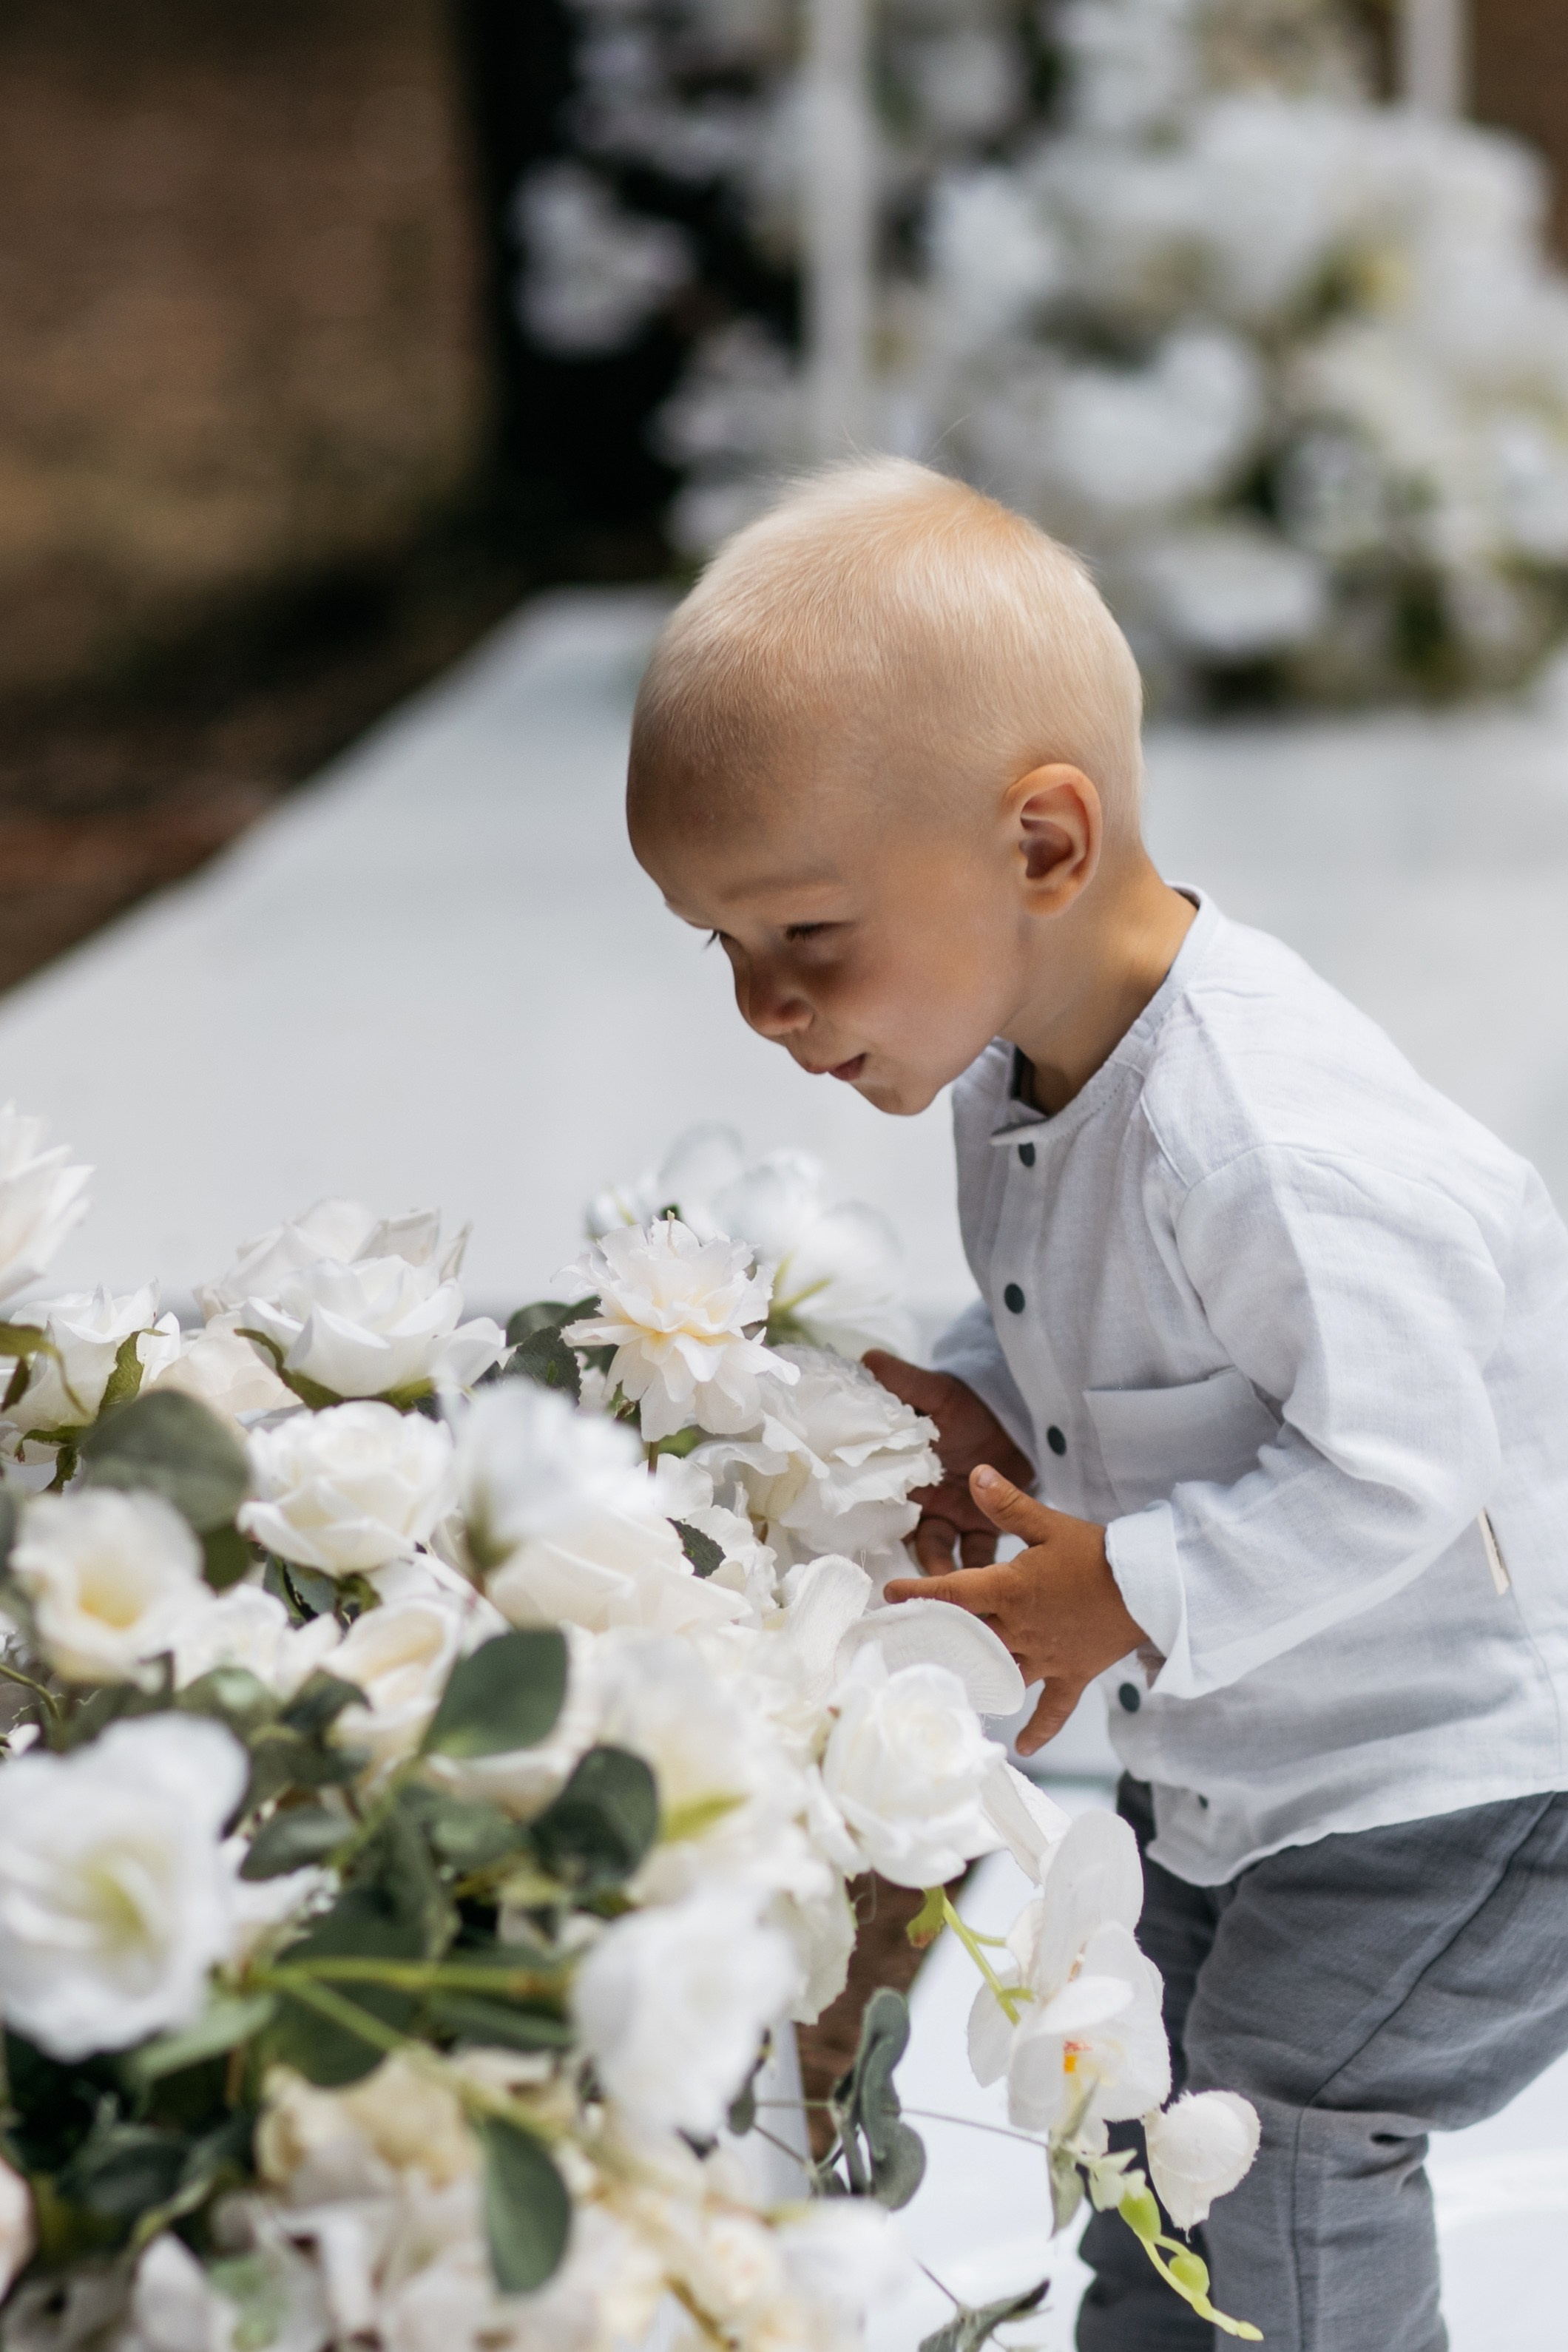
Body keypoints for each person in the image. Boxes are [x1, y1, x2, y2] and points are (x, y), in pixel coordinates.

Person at [624, 454, 1568, 2352]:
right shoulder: (1021, 1071)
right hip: (1257, 1767)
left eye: (803, 934)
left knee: (1284, 2135)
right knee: (1154, 2110)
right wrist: (977, 1404)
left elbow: (1404, 1467)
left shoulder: (1264, 1141)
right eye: (720, 947)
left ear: (1042, 846)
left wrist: (1125, 1589)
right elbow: (1095, 1329)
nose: (762, 1006)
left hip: (1468, 1776)